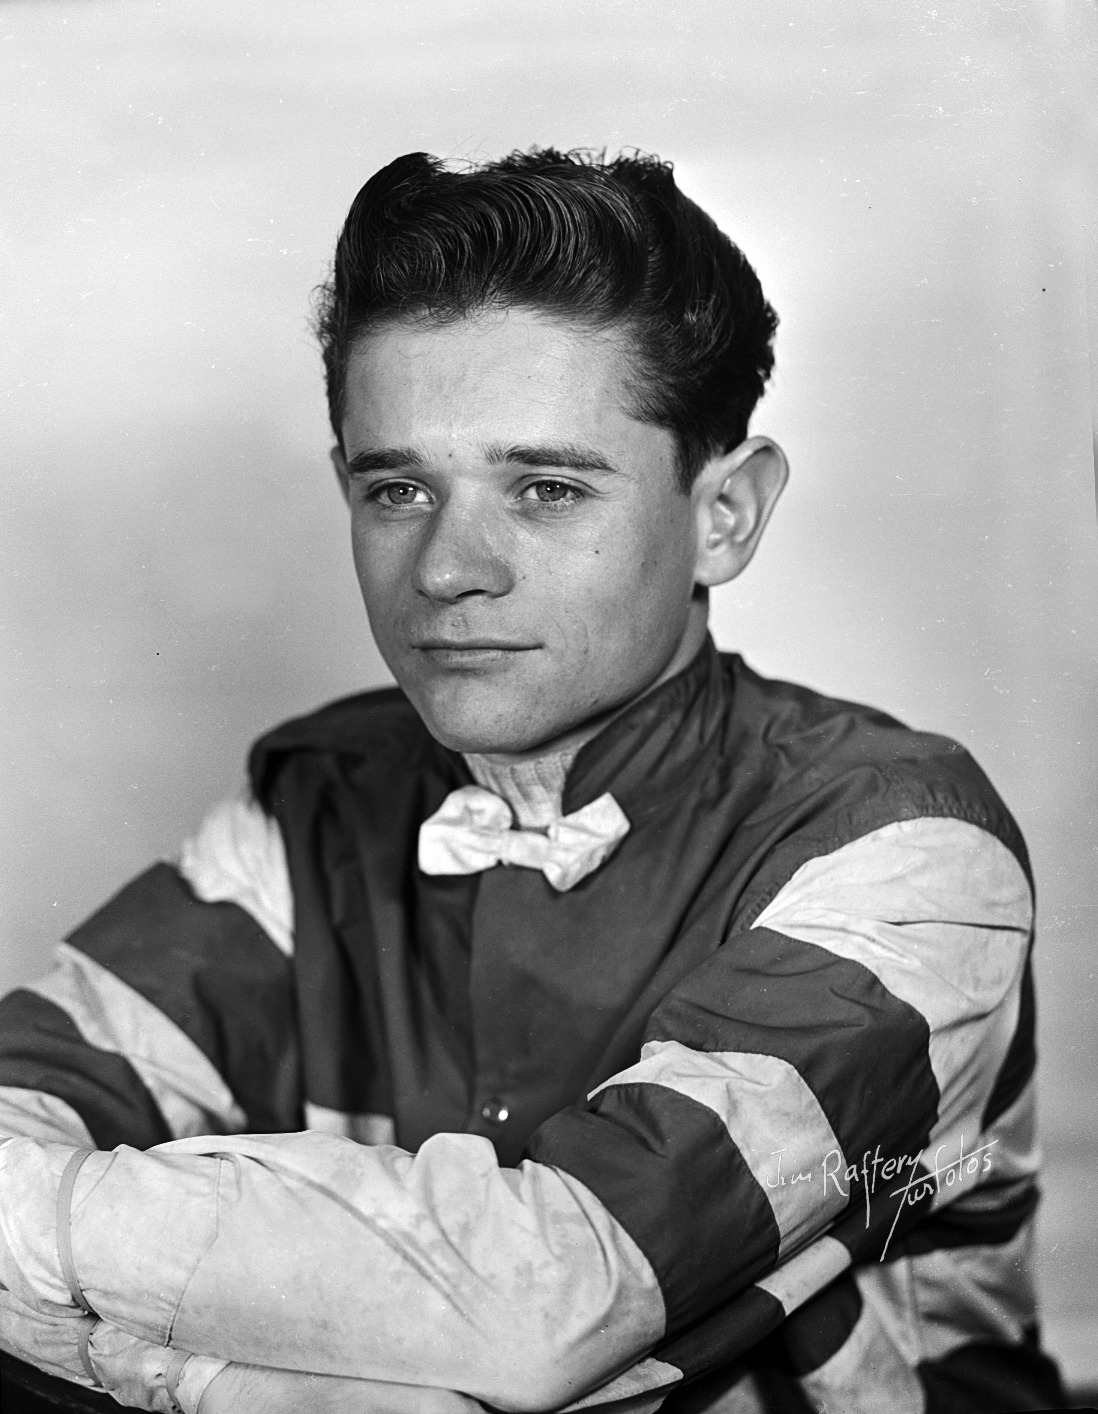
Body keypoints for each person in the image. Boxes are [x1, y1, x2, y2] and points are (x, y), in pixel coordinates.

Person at [0, 148, 1067, 1414]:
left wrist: (164, 1359)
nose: (449, 568)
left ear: (726, 512)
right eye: (396, 487)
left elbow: (546, 1301)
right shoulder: (314, 803)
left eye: (546, 488)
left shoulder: (904, 846)